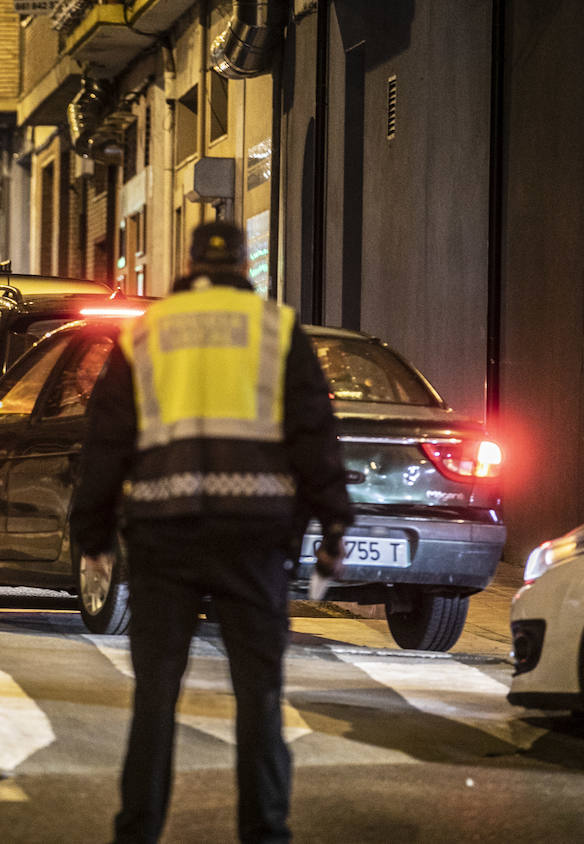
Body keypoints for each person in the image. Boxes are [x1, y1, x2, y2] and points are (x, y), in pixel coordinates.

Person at [71, 221, 351, 844]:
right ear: (242, 269)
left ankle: (137, 831)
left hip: (162, 539)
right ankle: (265, 831)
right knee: (259, 697)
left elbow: (106, 445)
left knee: (155, 698)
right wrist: (332, 517)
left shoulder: (144, 335)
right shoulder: (277, 330)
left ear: (189, 264)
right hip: (254, 539)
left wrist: (91, 534)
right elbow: (313, 434)